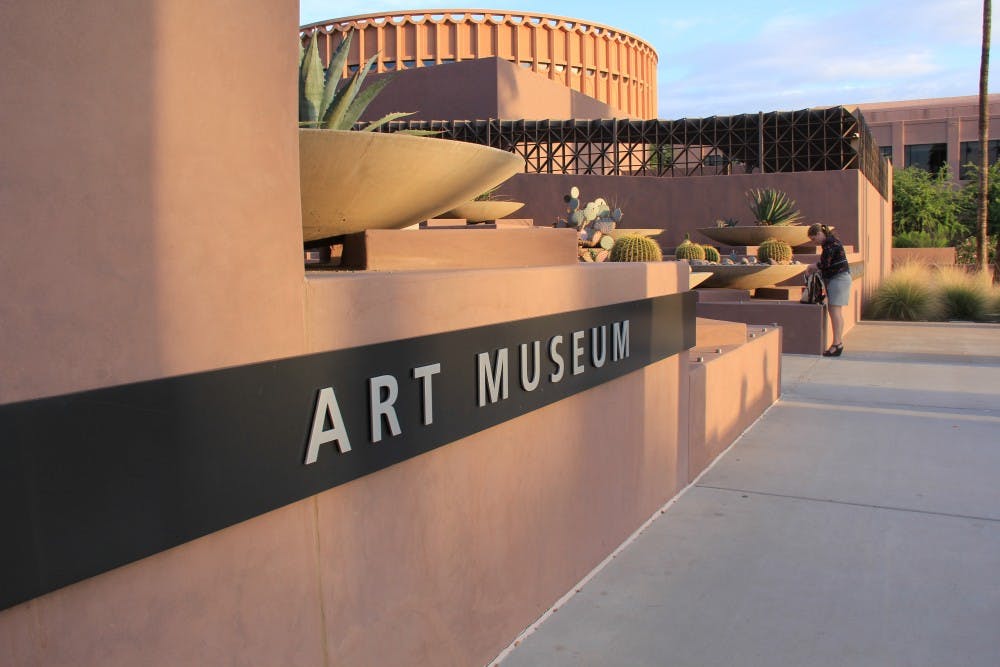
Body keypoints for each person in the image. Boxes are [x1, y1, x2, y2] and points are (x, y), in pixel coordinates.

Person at [805, 223, 850, 356]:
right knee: (836, 312)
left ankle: (836, 344)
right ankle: (838, 343)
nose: (814, 242)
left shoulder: (830, 244)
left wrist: (811, 266)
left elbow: (825, 263)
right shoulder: (831, 242)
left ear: (819, 234)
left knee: (835, 312)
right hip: (840, 279)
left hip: (839, 279)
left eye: (814, 239)